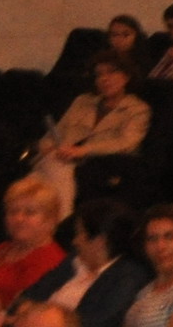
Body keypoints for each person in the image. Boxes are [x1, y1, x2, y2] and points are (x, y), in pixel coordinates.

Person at [24, 57, 147, 216]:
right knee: (37, 176)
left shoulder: (137, 109)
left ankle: (62, 219)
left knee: (45, 174)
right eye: (99, 74)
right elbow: (56, 132)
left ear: (126, 77)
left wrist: (83, 150)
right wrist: (46, 146)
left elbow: (127, 142)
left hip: (98, 161)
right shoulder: (83, 101)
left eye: (111, 72)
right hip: (61, 154)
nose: (104, 79)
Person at [26, 201, 146, 327]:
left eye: (80, 233)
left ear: (99, 241)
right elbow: (29, 295)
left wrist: (40, 324)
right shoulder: (72, 262)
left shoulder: (127, 277)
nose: (75, 241)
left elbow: (99, 324)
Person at [0, 181, 66, 309]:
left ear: (51, 219)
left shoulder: (51, 261)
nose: (19, 218)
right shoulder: (2, 249)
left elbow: (26, 309)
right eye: (13, 212)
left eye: (29, 212)